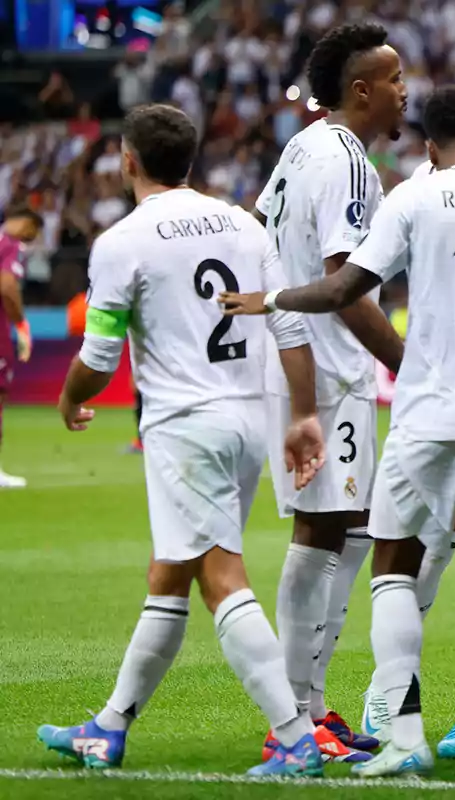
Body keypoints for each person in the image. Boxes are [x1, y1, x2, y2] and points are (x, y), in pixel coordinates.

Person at [221, 84, 455, 781]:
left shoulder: (414, 198)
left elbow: (339, 291)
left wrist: (269, 298)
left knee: (392, 567)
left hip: (432, 417)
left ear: (427, 145)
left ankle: (406, 734)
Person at [37, 103, 328, 778]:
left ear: (127, 160)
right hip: (246, 420)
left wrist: (70, 395)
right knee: (169, 572)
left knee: (220, 576)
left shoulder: (122, 241)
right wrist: (303, 415)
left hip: (183, 425)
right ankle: (108, 728)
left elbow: (101, 355)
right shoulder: (244, 226)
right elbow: (288, 326)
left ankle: (294, 736)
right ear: (191, 159)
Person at [251, 21, 407, 759]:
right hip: (322, 366)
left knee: (350, 526)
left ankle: (312, 703)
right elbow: (347, 285)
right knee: (322, 529)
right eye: (397, 76)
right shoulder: (347, 161)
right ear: (362, 89)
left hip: (301, 360)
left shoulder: (301, 146)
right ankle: (293, 719)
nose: (407, 89)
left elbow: (262, 231)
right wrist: (410, 362)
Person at [0, 207, 42, 489]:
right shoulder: (10, 245)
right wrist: (21, 324)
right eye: (32, 232)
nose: (29, 238)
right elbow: (6, 286)